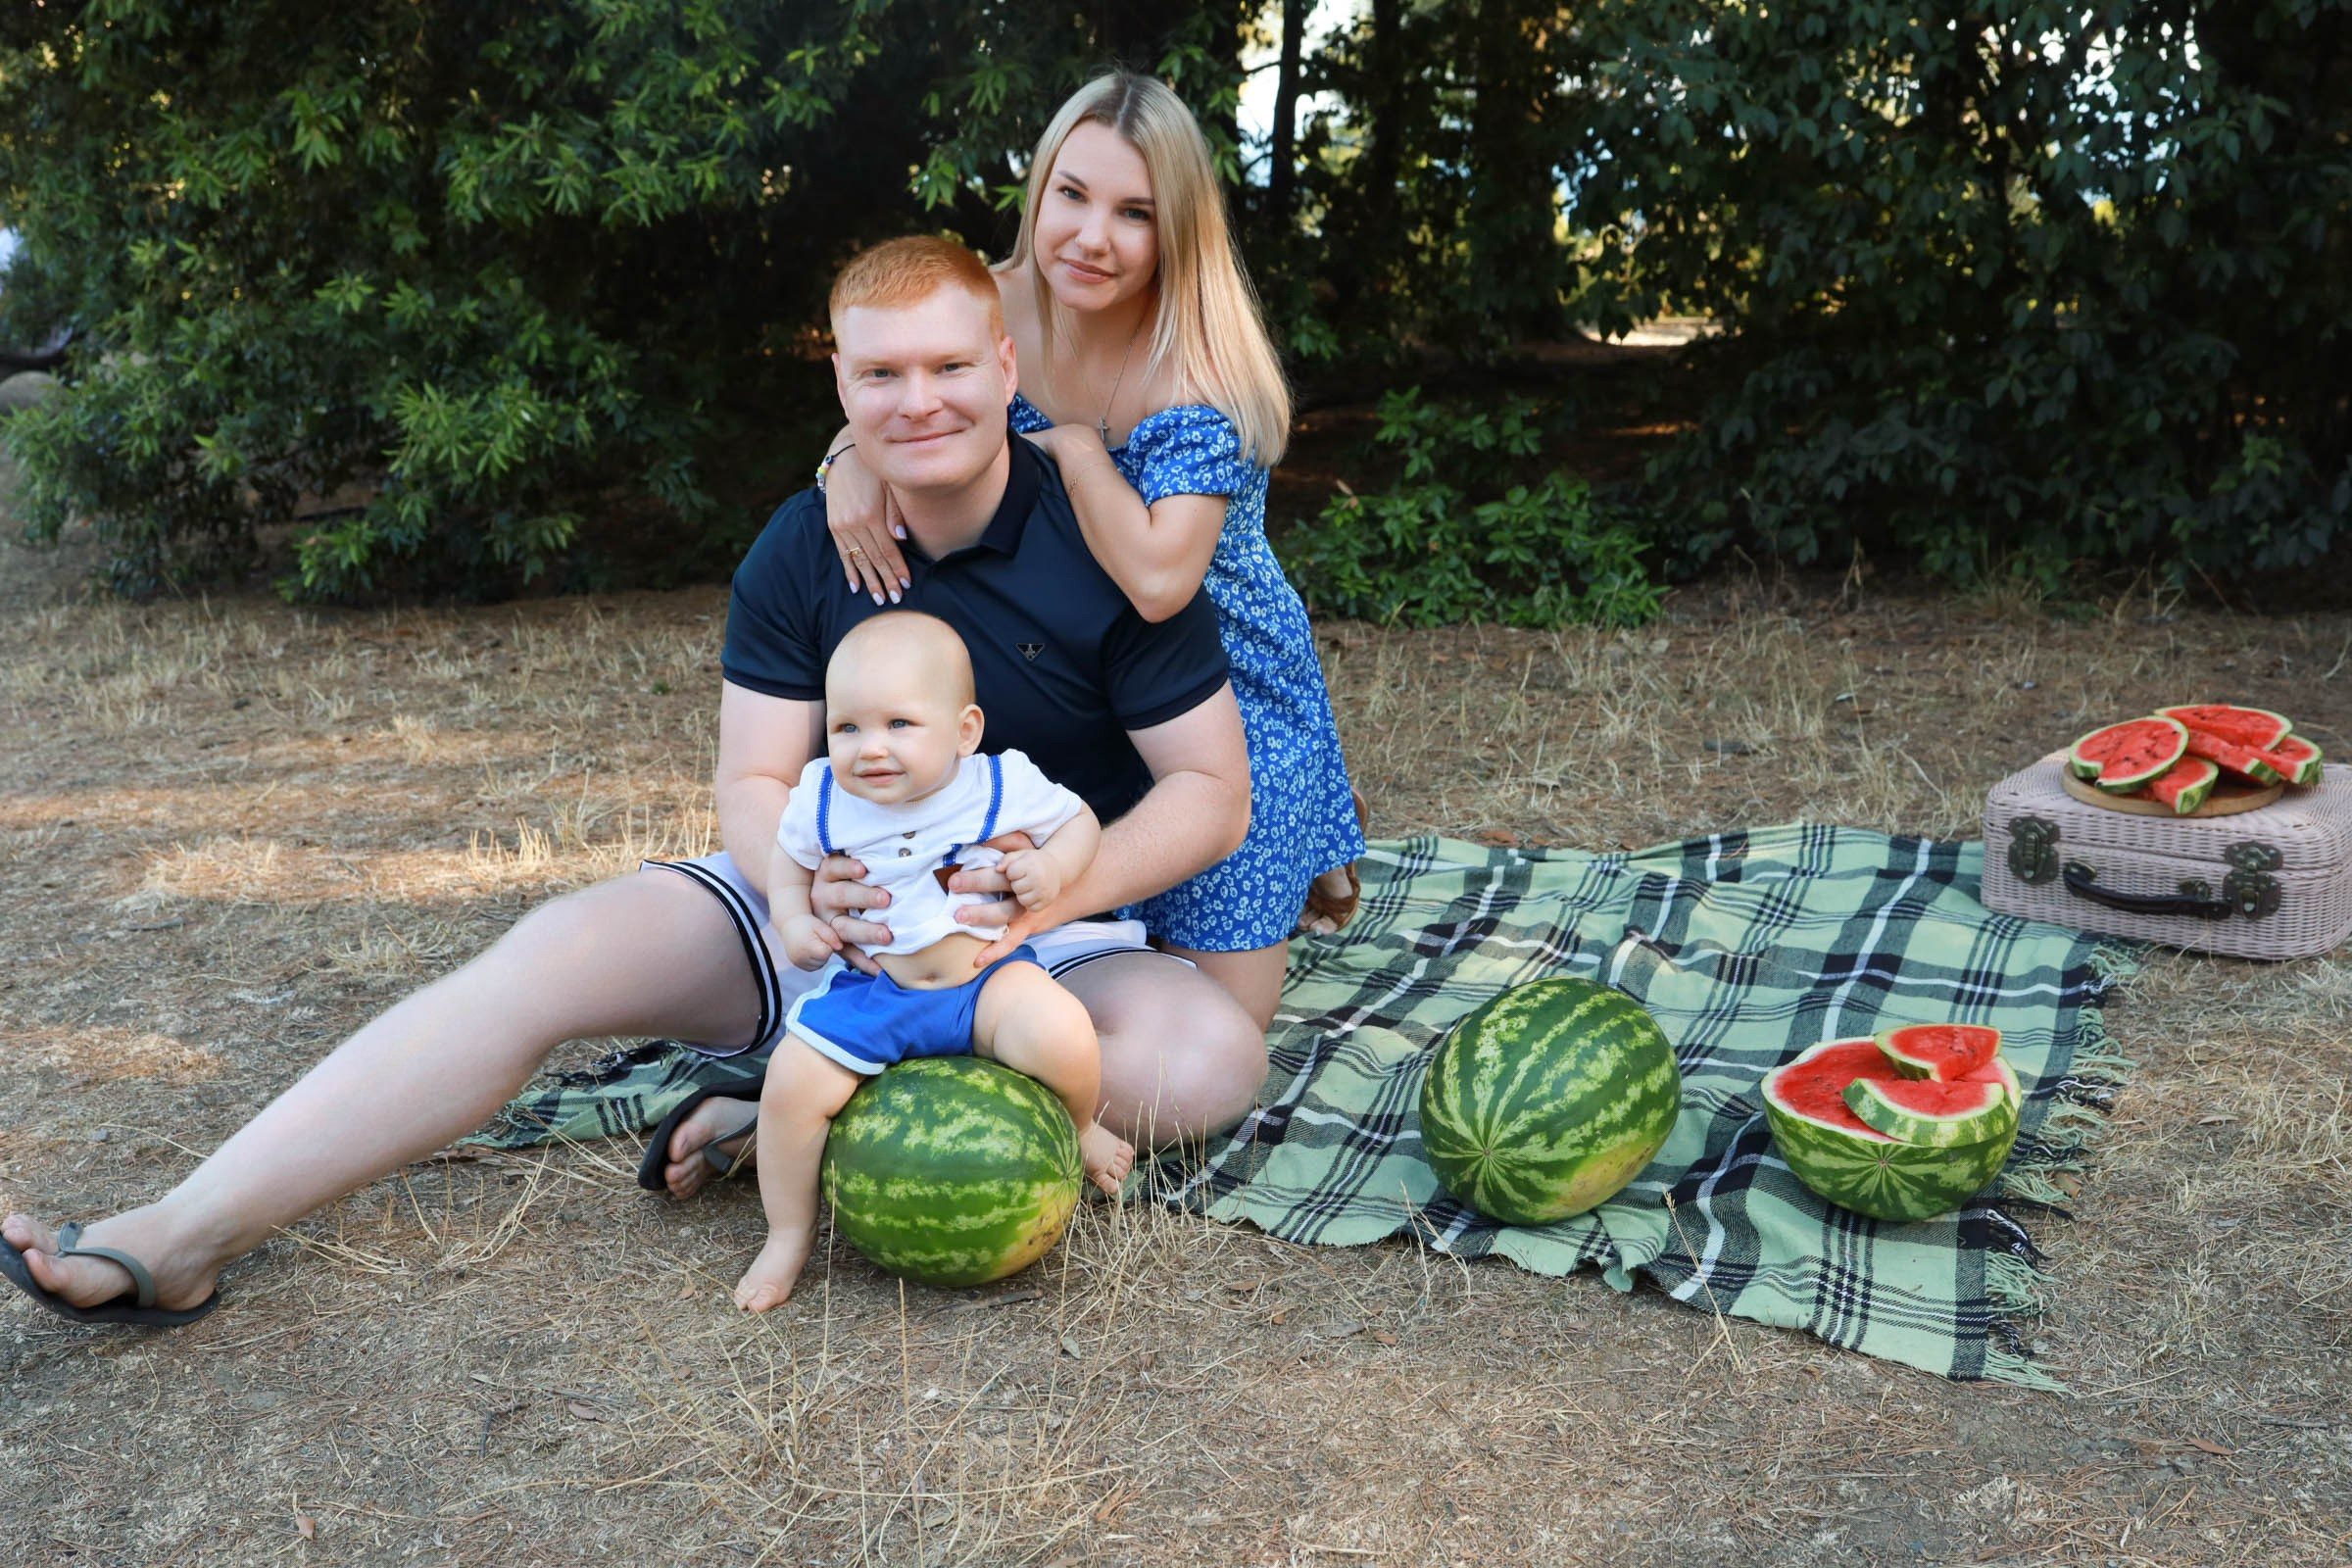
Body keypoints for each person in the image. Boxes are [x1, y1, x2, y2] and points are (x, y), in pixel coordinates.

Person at [0, 235, 1259, 1328]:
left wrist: (1043, 897)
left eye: (946, 367)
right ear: (840, 383)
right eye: (881, 372)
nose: (916, 401)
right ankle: (179, 1232)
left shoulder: (1098, 536)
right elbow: (759, 776)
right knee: (551, 951)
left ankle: (782, 1089)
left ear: (1004, 368)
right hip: (833, 908)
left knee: (1207, 1059)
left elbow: (1211, 789)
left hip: (1031, 933)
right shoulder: (800, 546)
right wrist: (796, 891)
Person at [821, 73, 1367, 1033]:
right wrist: (844, 462)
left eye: (1134, 213)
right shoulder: (986, 301)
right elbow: (893, 399)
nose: (1088, 236)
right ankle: (867, 1059)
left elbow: (1162, 583)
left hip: (1220, 681)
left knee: (1220, 1024)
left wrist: (1074, 448)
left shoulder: (1197, 364)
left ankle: (1292, 843)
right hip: (1053, 653)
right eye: (1071, 193)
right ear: (1038, 187)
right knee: (978, 917)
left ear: (1176, 231)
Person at [738, 611, 1135, 1310]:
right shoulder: (825, 796)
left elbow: (1079, 822)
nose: (870, 748)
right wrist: (794, 918)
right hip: (880, 991)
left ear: (965, 731)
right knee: (792, 1086)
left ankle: (1078, 1124)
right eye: (848, 727)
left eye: (900, 724)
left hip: (983, 984)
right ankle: (788, 1233)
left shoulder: (995, 784)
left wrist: (1052, 866)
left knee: (1061, 1031)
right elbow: (787, 859)